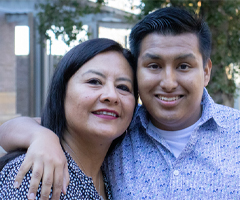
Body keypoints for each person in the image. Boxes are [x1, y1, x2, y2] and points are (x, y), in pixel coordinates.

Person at [1, 6, 240, 199]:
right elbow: (18, 128)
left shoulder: (236, 132)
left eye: (184, 66)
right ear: (138, 71)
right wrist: (42, 137)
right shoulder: (117, 127)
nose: (168, 82)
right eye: (154, 66)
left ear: (206, 71)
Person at [0, 38, 138, 200]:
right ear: (61, 92)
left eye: (123, 87)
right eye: (94, 81)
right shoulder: (37, 175)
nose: (111, 96)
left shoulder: (115, 174)